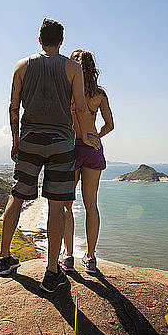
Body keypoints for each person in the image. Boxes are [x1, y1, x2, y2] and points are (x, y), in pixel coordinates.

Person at [0, 19, 101, 292]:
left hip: (30, 139)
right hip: (61, 143)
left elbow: (13, 106)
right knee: (57, 204)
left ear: (39, 40)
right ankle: (52, 271)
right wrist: (88, 136)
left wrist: (16, 139)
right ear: (61, 42)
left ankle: (4, 258)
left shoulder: (21, 66)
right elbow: (79, 108)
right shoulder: (72, 67)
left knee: (17, 196)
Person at [61, 49, 114, 274]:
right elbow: (110, 125)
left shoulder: (67, 91)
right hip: (93, 150)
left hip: (70, 147)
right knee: (91, 204)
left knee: (66, 204)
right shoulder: (100, 94)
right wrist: (95, 136)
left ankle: (68, 256)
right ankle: (91, 258)